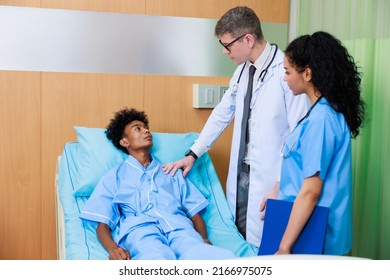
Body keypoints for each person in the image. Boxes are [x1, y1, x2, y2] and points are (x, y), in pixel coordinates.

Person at [162, 6, 309, 247]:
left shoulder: (285, 71)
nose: (224, 51)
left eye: (227, 45)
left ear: (248, 39)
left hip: (272, 176)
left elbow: (300, 132)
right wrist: (192, 154)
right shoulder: (242, 71)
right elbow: (222, 113)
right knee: (239, 239)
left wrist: (282, 182)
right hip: (242, 174)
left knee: (267, 244)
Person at [79, 108, 236, 260]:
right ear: (124, 141)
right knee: (156, 259)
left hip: (180, 228)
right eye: (137, 129)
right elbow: (103, 225)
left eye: (146, 128)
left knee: (201, 255)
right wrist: (114, 249)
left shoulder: (172, 171)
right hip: (140, 232)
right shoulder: (114, 177)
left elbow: (195, 215)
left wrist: (203, 239)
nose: (146, 131)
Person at [274, 31, 365, 255]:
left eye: (287, 72)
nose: (285, 78)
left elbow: (311, 191)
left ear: (307, 74)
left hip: (317, 237)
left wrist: (284, 248)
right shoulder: (321, 112)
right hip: (310, 227)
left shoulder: (321, 120)